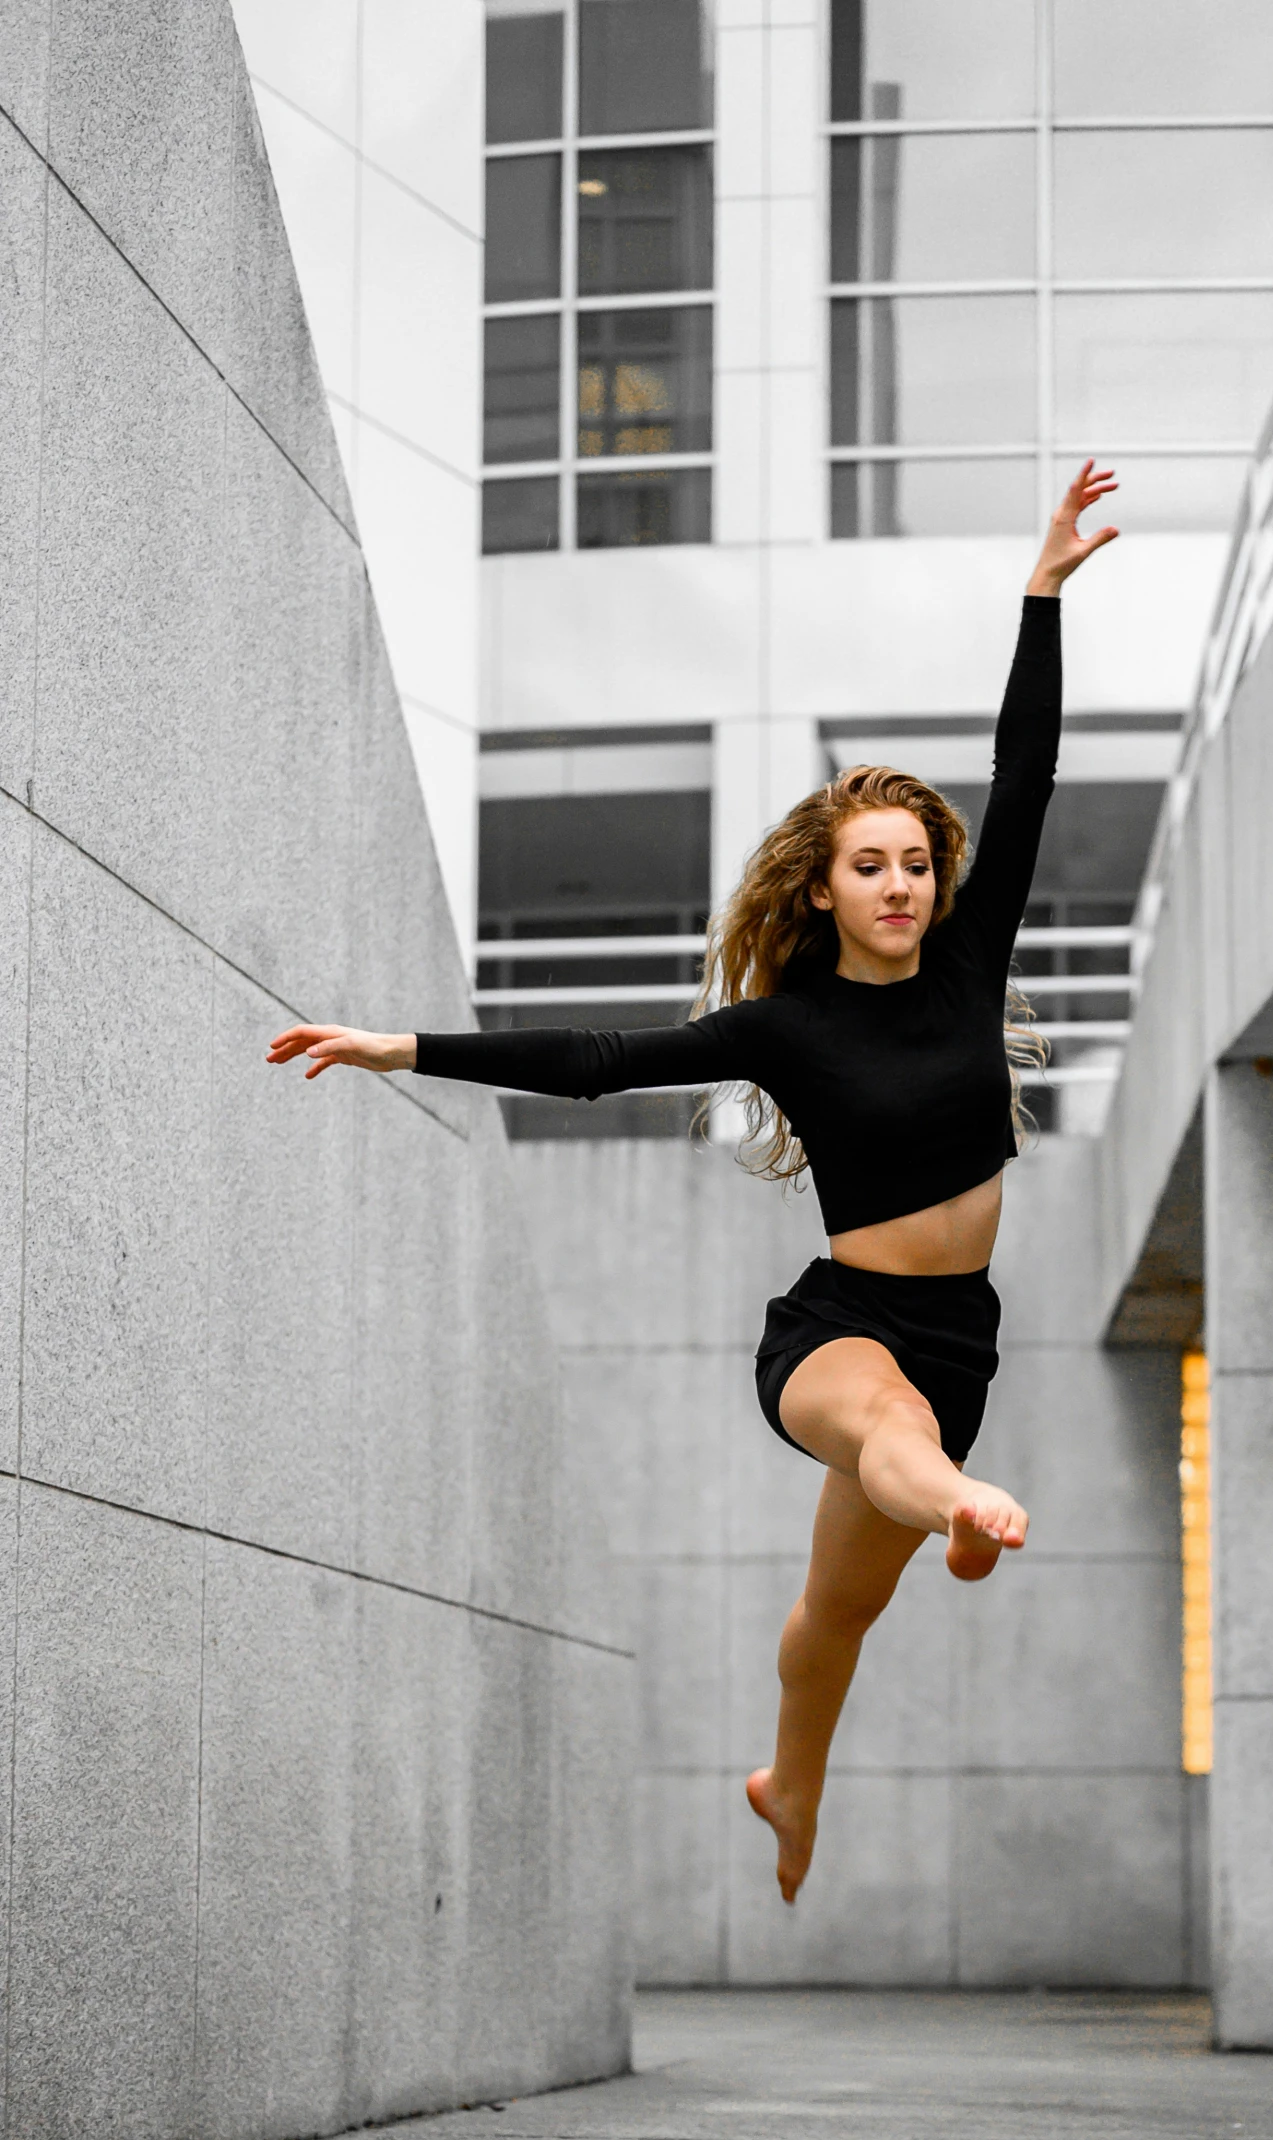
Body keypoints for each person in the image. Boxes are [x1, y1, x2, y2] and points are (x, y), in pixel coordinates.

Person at [268, 463, 1119, 1903]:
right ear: (826, 891)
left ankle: (790, 1784)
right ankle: (963, 1505)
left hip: (962, 1327)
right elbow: (600, 1056)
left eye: (917, 862)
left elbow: (1022, 776)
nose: (904, 884)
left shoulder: (971, 964)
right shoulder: (782, 1027)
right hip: (839, 1332)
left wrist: (1036, 596)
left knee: (834, 1614)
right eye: (872, 866)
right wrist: (399, 1044)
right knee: (897, 1430)